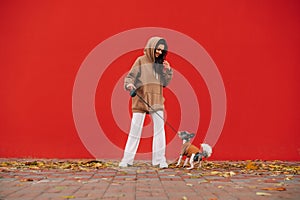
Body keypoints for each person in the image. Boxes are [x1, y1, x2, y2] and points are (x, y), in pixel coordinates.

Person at [119, 36, 173, 168]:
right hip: (141, 99)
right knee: (135, 131)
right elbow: (130, 77)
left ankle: (160, 160)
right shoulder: (140, 61)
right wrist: (129, 86)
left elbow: (164, 83)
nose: (159, 52)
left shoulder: (160, 64)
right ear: (151, 46)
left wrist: (168, 71)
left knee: (160, 131)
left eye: (162, 50)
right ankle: (127, 160)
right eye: (157, 49)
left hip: (156, 101)